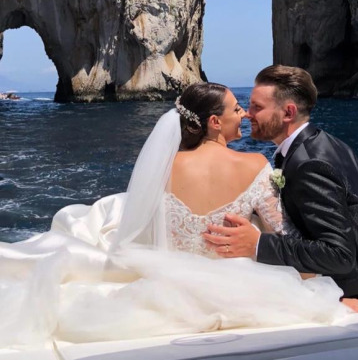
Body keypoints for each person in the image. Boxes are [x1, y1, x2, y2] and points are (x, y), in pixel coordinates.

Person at [0, 82, 355, 348]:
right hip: (243, 290)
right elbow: (285, 236)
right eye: (237, 109)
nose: (244, 114)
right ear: (215, 122)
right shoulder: (254, 165)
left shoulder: (161, 167)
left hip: (168, 290)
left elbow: (147, 231)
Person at [204, 65, 358, 300]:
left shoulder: (309, 164)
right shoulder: (325, 144)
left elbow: (340, 255)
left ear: (288, 113)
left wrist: (258, 244)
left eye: (257, 107)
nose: (247, 114)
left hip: (341, 291)